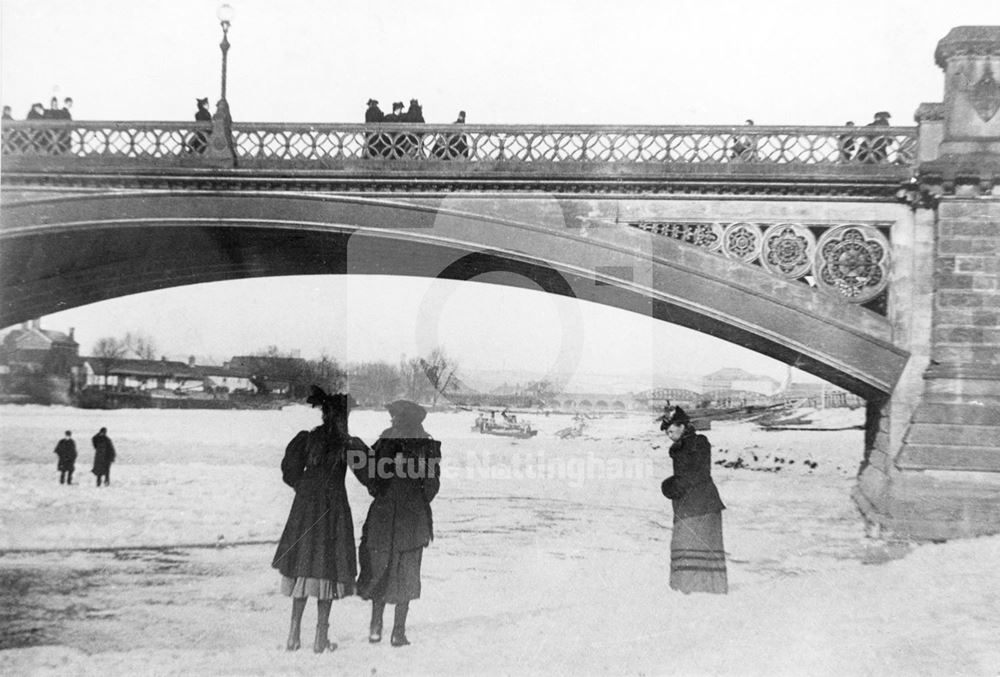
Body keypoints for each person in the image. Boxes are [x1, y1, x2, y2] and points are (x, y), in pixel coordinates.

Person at [271, 386, 369, 653]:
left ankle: (293, 636)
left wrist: (304, 488)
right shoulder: (348, 444)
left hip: (305, 508)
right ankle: (320, 639)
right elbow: (369, 476)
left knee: (303, 566)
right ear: (342, 417)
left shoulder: (308, 439)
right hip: (333, 510)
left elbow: (289, 470)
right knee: (328, 569)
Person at [356, 400, 441, 647]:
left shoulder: (385, 442)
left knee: (379, 568)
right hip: (413, 519)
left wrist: (384, 493)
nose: (392, 420)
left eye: (394, 417)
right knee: (407, 573)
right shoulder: (427, 446)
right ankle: (398, 633)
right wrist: (416, 499)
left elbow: (371, 480)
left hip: (383, 515)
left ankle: (375, 628)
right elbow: (432, 485)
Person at [659, 406, 727, 594]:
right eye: (666, 431)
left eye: (671, 429)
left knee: (696, 543)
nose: (668, 433)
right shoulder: (681, 445)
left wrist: (674, 485)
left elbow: (699, 473)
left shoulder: (698, 442)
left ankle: (706, 587)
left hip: (701, 502)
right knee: (684, 543)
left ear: (682, 426)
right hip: (687, 502)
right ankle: (686, 586)